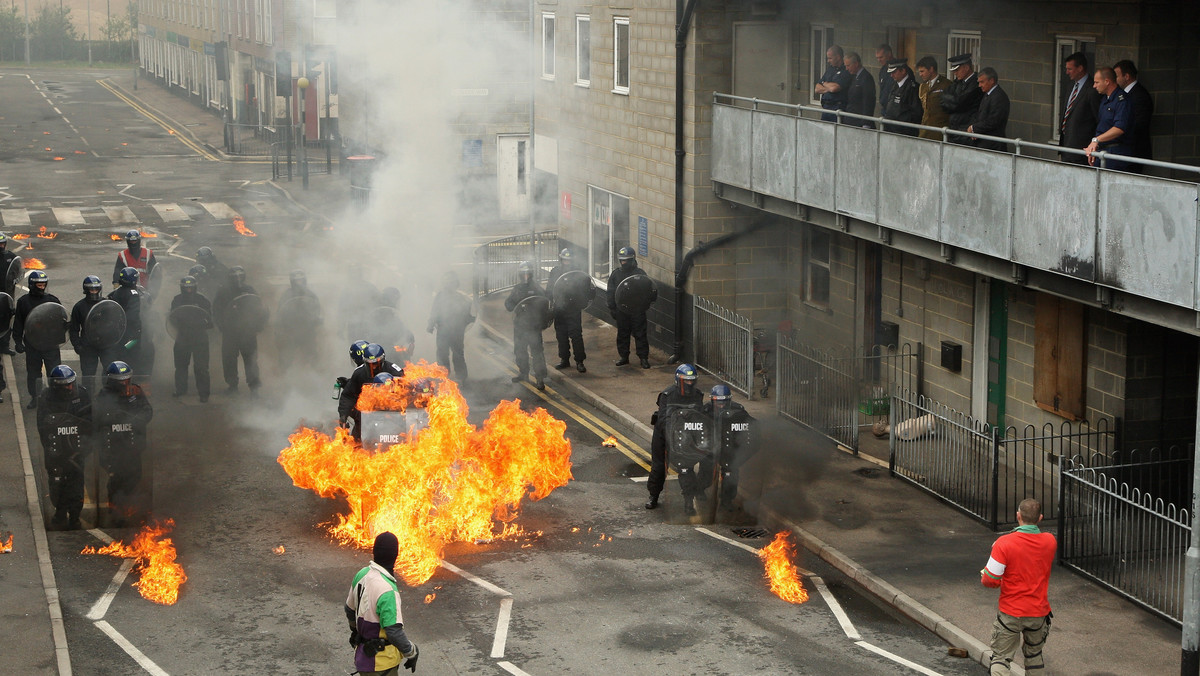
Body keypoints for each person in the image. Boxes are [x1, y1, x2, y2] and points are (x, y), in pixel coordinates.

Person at [981, 498, 1057, 676]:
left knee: (1001, 659)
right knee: (1034, 658)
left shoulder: (1004, 543)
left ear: (1017, 516)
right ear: (1040, 518)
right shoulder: (1050, 541)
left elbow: (989, 580)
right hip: (1038, 612)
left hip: (1011, 612)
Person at [345, 532, 419, 675]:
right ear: (395, 555)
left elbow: (349, 609)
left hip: (362, 658)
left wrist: (355, 631)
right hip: (381, 664)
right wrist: (411, 651)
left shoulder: (362, 574)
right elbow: (393, 631)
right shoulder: (387, 590)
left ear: (374, 551)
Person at [94, 361, 153, 525]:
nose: (125, 383)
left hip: (133, 446)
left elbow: (148, 410)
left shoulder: (136, 391)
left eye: (127, 379)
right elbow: (98, 421)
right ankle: (115, 512)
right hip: (113, 448)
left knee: (134, 477)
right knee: (116, 480)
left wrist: (137, 420)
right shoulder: (104, 396)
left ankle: (128, 507)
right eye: (121, 380)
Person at [37, 365, 91, 530]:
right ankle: (60, 513)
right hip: (57, 450)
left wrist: (85, 447)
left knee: (76, 483)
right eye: (64, 385)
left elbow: (90, 420)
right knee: (57, 483)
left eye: (71, 383)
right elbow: (43, 426)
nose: (69, 387)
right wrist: (50, 448)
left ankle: (75, 517)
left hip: (76, 449)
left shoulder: (81, 393)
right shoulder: (46, 397)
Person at [645, 363, 704, 513]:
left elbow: (699, 417)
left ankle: (689, 502)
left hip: (686, 435)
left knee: (686, 468)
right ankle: (653, 495)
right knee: (659, 467)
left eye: (692, 380)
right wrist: (675, 433)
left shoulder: (698, 396)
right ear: (679, 380)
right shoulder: (667, 395)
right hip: (664, 434)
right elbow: (665, 419)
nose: (690, 383)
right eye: (687, 381)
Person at [14, 270, 63, 409]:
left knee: (55, 373)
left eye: (43, 285)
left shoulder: (52, 300)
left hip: (50, 344)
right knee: (34, 374)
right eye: (39, 285)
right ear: (32, 285)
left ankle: (57, 397)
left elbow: (61, 321)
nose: (42, 287)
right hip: (32, 344)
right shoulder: (23, 302)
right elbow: (18, 323)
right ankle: (35, 397)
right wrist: (17, 341)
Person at [703, 384, 755, 510]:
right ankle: (700, 491)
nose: (720, 406)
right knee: (706, 473)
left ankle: (726, 501)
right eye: (717, 403)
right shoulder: (705, 411)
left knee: (731, 474)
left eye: (723, 403)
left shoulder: (738, 411)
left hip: (728, 449)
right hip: (711, 449)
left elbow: (753, 426)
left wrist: (741, 451)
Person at [339, 343, 404, 441]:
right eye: (369, 364)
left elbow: (406, 394)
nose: (373, 367)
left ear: (382, 360)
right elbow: (348, 396)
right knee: (356, 443)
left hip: (394, 413)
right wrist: (344, 414)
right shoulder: (359, 373)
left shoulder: (395, 372)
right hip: (367, 415)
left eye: (375, 364)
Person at [212, 266, 262, 393]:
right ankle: (232, 386)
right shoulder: (223, 292)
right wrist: (221, 326)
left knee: (251, 359)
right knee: (229, 360)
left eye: (240, 277)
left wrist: (258, 325)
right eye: (235, 277)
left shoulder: (249, 290)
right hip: (230, 332)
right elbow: (216, 310)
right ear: (230, 278)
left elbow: (259, 309)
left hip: (248, 331)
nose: (238, 280)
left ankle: (254, 387)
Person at [607, 247, 657, 369]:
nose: (624, 263)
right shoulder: (616, 274)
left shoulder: (640, 274)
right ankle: (624, 357)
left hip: (637, 310)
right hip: (622, 310)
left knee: (640, 334)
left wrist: (645, 305)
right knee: (623, 334)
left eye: (626, 260)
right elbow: (611, 292)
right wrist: (612, 308)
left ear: (632, 259)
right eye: (622, 260)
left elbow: (649, 290)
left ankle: (643, 358)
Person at [547, 248, 593, 373]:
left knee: (576, 336)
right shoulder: (555, 271)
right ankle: (564, 360)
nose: (566, 262)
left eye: (568, 260)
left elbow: (587, 289)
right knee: (561, 336)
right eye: (564, 260)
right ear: (561, 259)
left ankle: (580, 361)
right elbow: (549, 289)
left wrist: (581, 302)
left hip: (573, 309)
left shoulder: (578, 273)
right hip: (559, 309)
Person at [504, 261, 548, 390]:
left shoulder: (537, 289)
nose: (525, 277)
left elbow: (545, 305)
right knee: (520, 351)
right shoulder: (517, 289)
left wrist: (542, 321)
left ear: (531, 274)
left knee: (537, 353)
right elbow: (508, 304)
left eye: (527, 274)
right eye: (523, 274)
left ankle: (540, 379)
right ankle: (523, 373)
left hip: (534, 326)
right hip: (520, 326)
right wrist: (512, 306)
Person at [170, 276, 213, 401]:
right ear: (182, 288)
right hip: (182, 337)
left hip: (200, 339)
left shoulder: (203, 300)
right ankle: (181, 390)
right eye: (186, 288)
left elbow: (209, 320)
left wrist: (201, 323)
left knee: (201, 368)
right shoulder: (177, 300)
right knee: (181, 367)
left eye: (190, 287)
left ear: (195, 287)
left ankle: (204, 394)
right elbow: (172, 318)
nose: (188, 290)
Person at [426, 270, 474, 381]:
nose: (448, 285)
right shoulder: (442, 296)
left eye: (450, 282)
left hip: (454, 330)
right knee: (446, 353)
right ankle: (449, 377)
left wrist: (431, 324)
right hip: (447, 330)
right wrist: (430, 324)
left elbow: (467, 315)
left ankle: (457, 377)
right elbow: (435, 312)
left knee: (454, 353)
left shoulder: (460, 298)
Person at [1086, 67, 1133, 172]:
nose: (1094, 86)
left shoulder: (1122, 100)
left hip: (1115, 153)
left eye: (1097, 82)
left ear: (1107, 81)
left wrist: (1096, 140)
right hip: (1102, 151)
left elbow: (1119, 128)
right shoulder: (1105, 99)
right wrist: (1094, 146)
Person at [1057, 52, 1101, 165]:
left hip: (1081, 150)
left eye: (1070, 69)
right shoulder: (1070, 85)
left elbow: (1098, 119)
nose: (1067, 72)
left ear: (1080, 68)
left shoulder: (1093, 89)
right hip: (1066, 146)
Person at [105, 267, 149, 376]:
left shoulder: (114, 293)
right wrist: (134, 333)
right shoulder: (133, 294)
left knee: (118, 356)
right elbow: (133, 316)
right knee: (133, 358)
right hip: (131, 337)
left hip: (117, 334)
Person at [1113, 59, 1153, 172]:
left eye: (1117, 76)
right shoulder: (1124, 94)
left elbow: (1139, 124)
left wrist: (1117, 132)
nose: (1115, 80)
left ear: (1126, 76)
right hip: (1124, 150)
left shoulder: (1139, 95)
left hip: (1134, 151)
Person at [68, 275, 106, 384]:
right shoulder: (79, 307)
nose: (94, 292)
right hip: (88, 346)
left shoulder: (106, 304)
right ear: (86, 290)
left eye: (96, 289)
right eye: (91, 289)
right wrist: (77, 345)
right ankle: (88, 397)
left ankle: (107, 394)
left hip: (105, 344)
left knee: (110, 371)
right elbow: (74, 329)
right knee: (88, 375)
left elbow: (114, 323)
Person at [940, 54, 983, 145]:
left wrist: (951, 102)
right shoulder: (957, 82)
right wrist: (952, 102)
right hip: (954, 130)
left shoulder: (976, 84)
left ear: (966, 67)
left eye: (957, 70)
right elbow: (942, 98)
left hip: (966, 132)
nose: (955, 73)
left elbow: (960, 102)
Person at [968, 67, 1010, 152]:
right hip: (984, 143)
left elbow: (994, 121)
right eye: (979, 82)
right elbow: (981, 115)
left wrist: (974, 128)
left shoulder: (999, 97)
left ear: (991, 81)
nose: (980, 85)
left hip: (993, 146)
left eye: (982, 82)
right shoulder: (988, 94)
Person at [882, 58, 922, 136]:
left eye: (894, 72)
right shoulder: (895, 85)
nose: (891, 75)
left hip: (903, 132)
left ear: (903, 71)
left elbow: (915, 113)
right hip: (891, 130)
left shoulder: (912, 88)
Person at [813, 45, 851, 122]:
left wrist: (824, 84)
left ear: (838, 57)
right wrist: (828, 87)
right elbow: (817, 88)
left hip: (837, 108)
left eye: (830, 58)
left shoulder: (846, 70)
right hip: (826, 107)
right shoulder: (830, 69)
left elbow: (834, 88)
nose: (828, 61)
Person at [916, 56, 951, 139]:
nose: (920, 74)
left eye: (922, 71)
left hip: (940, 131)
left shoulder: (946, 84)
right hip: (925, 130)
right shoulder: (923, 86)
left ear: (931, 69)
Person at [843, 52, 876, 128]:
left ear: (856, 64)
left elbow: (868, 101)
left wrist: (866, 123)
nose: (846, 69)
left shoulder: (866, 78)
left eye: (848, 66)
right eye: (845, 66)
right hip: (851, 119)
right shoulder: (854, 77)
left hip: (859, 122)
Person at [0, 232, 18, 354]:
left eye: (2, 244)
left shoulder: (11, 257)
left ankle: (4, 345)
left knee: (7, 319)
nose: (1, 246)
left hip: (7, 295)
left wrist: (15, 279)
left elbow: (17, 270)